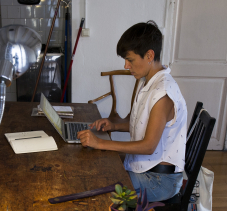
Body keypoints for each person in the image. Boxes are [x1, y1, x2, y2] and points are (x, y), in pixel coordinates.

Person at [77, 21, 188, 202]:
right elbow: (144, 123)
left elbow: (148, 146)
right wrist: (115, 126)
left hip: (159, 181)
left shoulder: (163, 94)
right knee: (96, 166)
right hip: (144, 169)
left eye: (130, 59)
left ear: (149, 55)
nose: (126, 66)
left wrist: (101, 143)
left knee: (96, 184)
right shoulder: (149, 82)